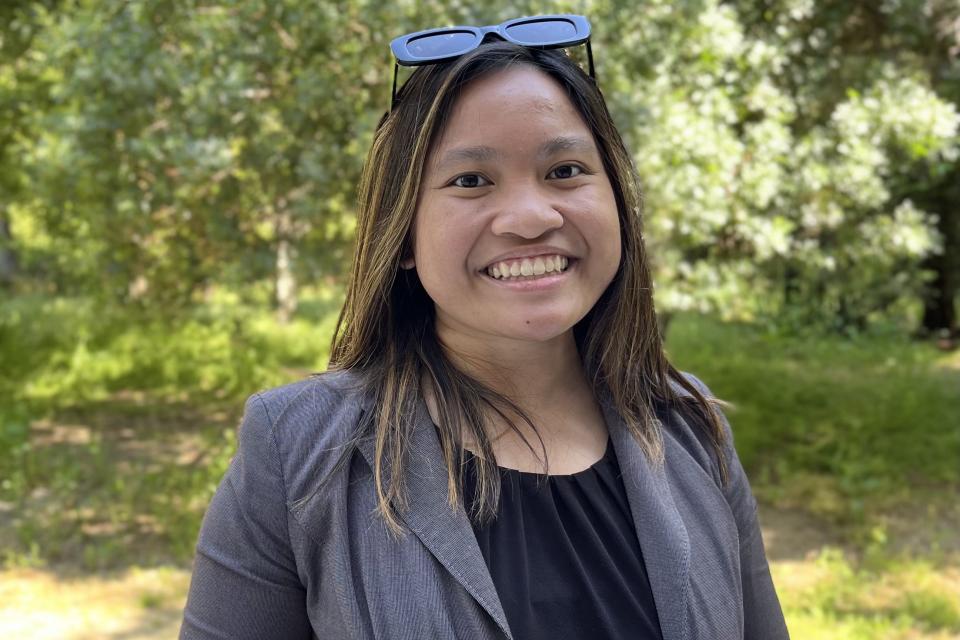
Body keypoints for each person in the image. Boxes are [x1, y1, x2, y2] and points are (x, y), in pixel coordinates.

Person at [180, 14, 789, 640]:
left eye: (565, 171)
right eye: (471, 181)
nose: (529, 217)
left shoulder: (690, 428)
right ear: (404, 235)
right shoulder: (298, 451)